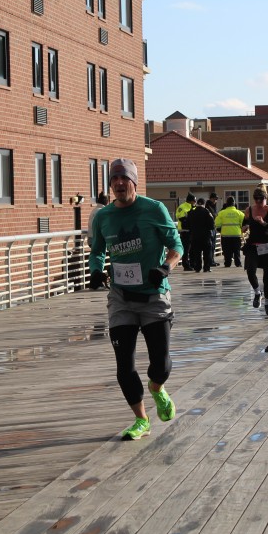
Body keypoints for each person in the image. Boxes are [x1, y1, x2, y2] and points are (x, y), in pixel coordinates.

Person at [88, 159, 182, 441]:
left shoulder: (154, 209)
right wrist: (96, 270)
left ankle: (157, 388)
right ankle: (141, 419)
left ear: (134, 182)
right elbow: (97, 251)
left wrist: (165, 268)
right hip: (121, 298)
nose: (119, 184)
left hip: (154, 295)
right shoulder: (103, 217)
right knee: (124, 365)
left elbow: (176, 245)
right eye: (114, 179)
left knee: (160, 365)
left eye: (124, 179)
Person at [243, 187, 268, 316]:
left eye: (261, 199)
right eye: (256, 199)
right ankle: (258, 293)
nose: (258, 202)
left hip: (267, 246)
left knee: (267, 279)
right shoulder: (249, 210)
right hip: (253, 245)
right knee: (250, 270)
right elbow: (244, 224)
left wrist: (264, 223)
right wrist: (245, 227)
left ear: (265, 199)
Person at [184, 197, 215, 273]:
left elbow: (186, 225)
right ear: (204, 204)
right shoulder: (207, 212)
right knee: (207, 253)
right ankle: (206, 268)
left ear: (197, 203)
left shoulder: (191, 212)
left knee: (197, 253)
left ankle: (197, 268)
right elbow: (212, 225)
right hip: (206, 236)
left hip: (195, 236)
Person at [175, 193, 195, 271]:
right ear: (190, 201)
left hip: (191, 231)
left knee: (192, 249)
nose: (195, 202)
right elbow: (180, 217)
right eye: (194, 201)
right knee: (186, 249)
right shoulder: (182, 207)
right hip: (185, 231)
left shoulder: (193, 207)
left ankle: (192, 264)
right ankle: (186, 265)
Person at [205, 192, 220, 267]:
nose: (215, 200)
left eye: (216, 199)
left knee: (213, 246)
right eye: (214, 199)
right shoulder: (208, 206)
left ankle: (212, 260)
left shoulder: (213, 206)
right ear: (210, 198)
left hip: (213, 228)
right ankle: (210, 261)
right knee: (210, 246)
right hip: (209, 229)